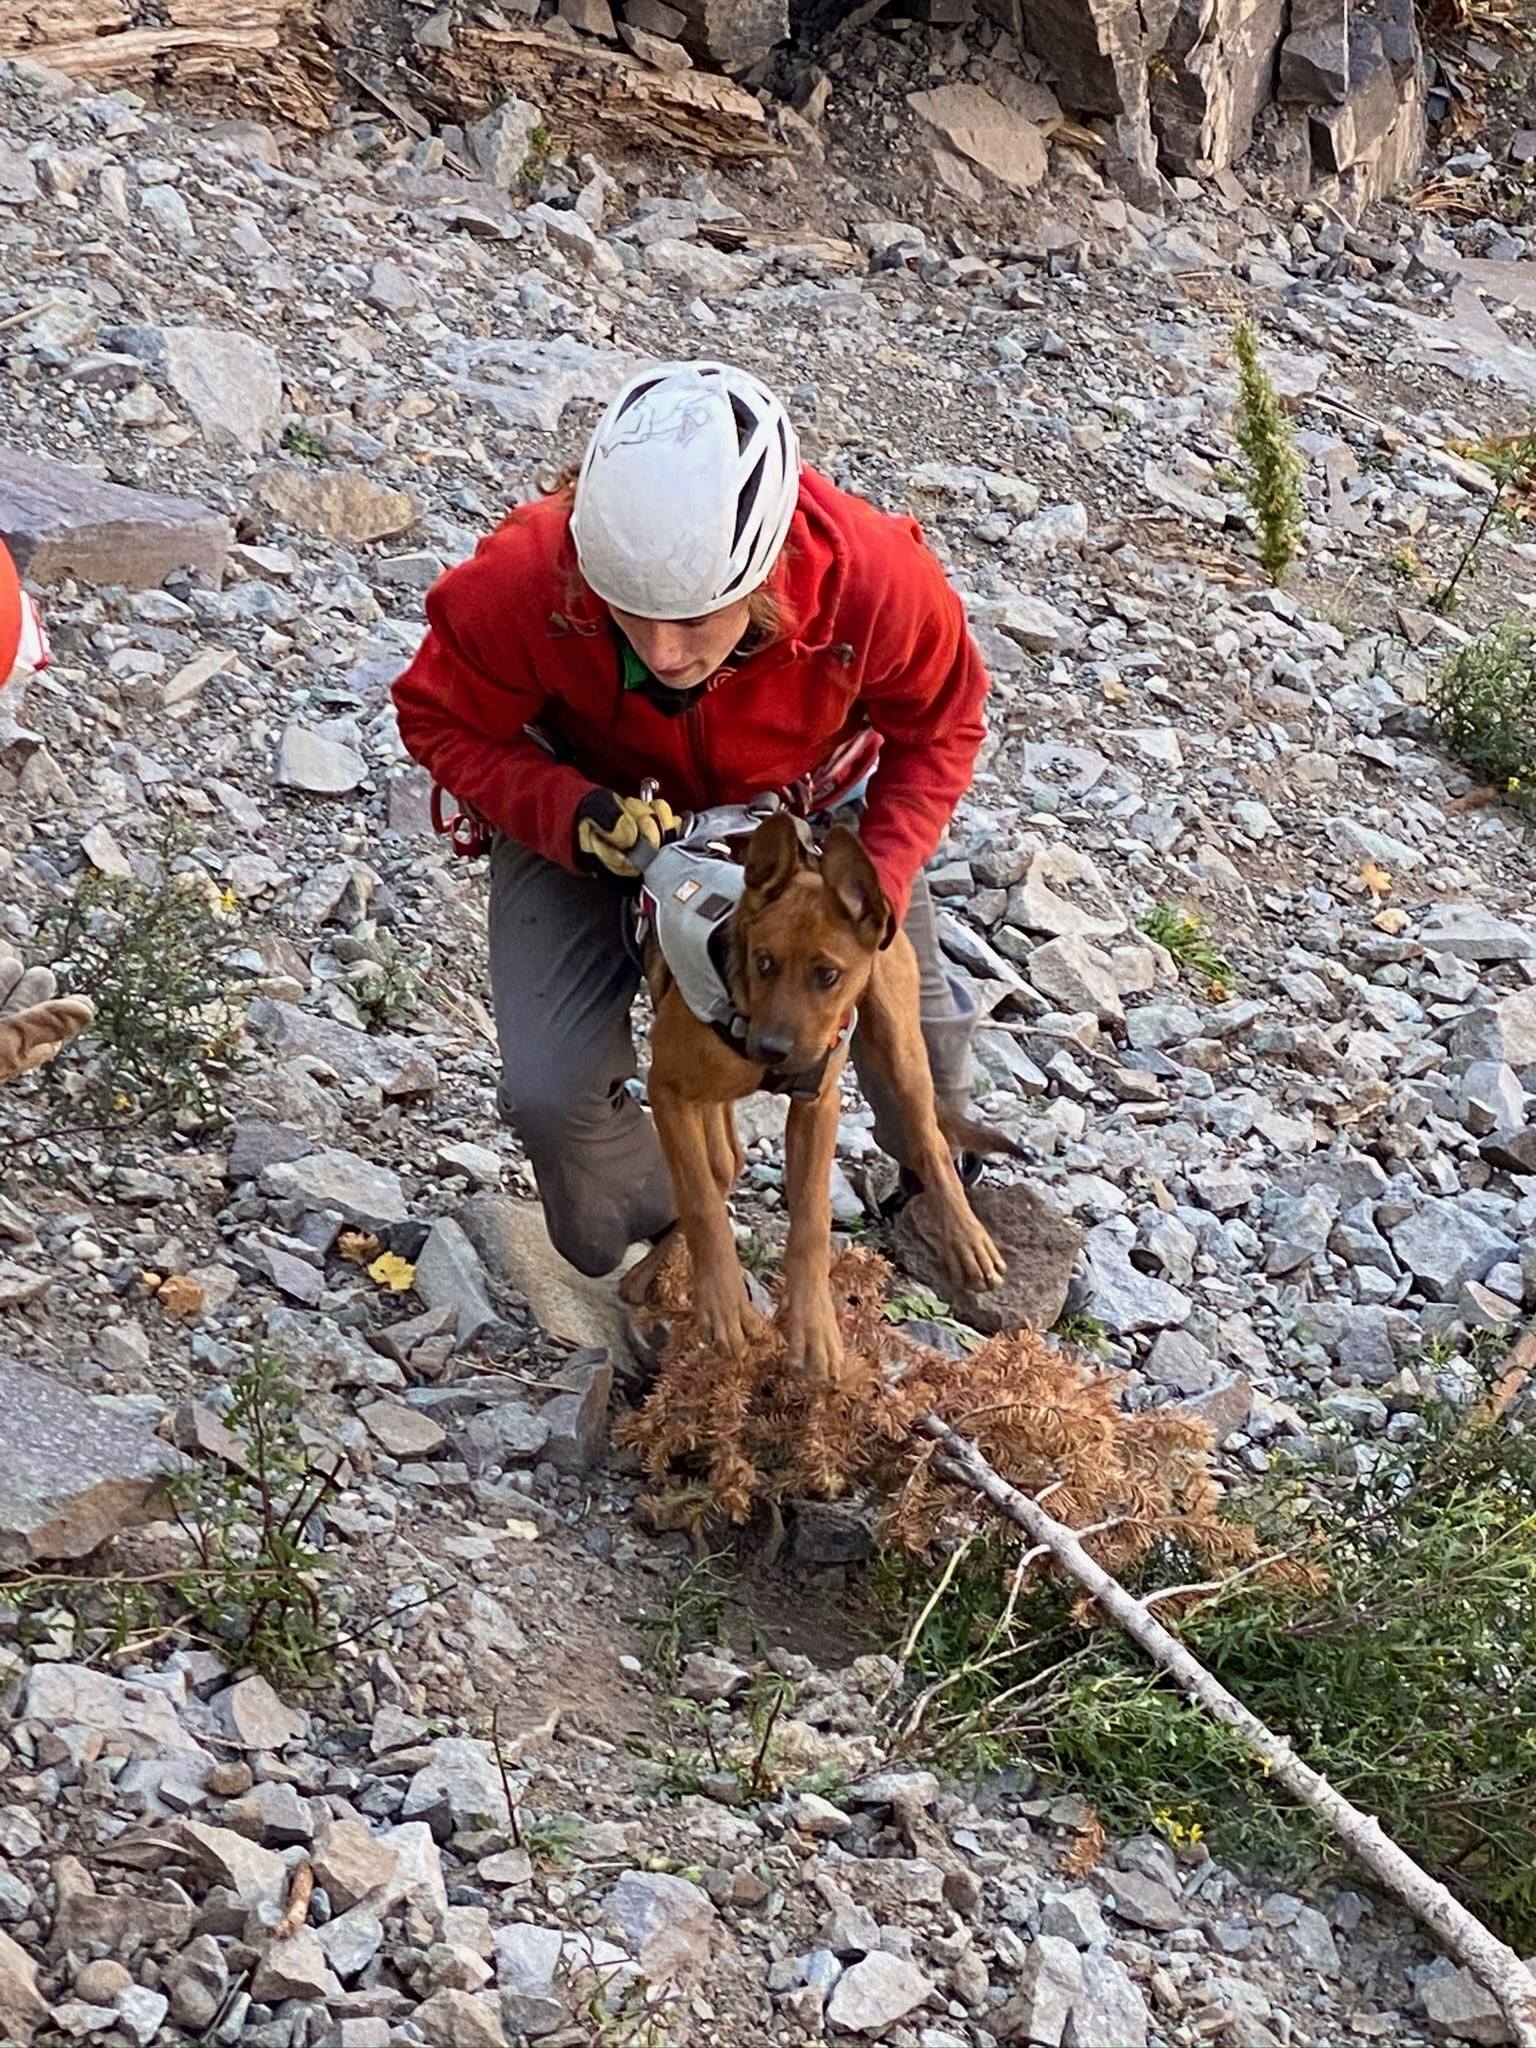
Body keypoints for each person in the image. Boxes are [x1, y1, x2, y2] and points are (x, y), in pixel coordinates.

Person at [393, 360, 991, 1278]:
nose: (664, 652)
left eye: (694, 620)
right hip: (594, 817)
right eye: (629, 618)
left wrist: (872, 887)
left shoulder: (873, 579)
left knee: (920, 1048)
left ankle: (929, 1189)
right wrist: (568, 814)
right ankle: (672, 1239)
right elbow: (438, 716)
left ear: (764, 574)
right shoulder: (521, 580)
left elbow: (944, 724)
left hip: (810, 814)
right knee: (554, 1106)